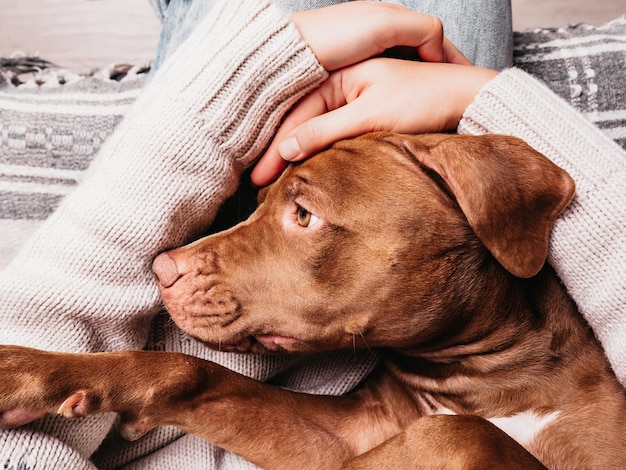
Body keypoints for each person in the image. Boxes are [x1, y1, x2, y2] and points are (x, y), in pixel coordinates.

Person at [0, 1, 624, 469]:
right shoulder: (417, 386)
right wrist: (475, 93)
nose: (171, 263)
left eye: (302, 214)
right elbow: (335, 439)